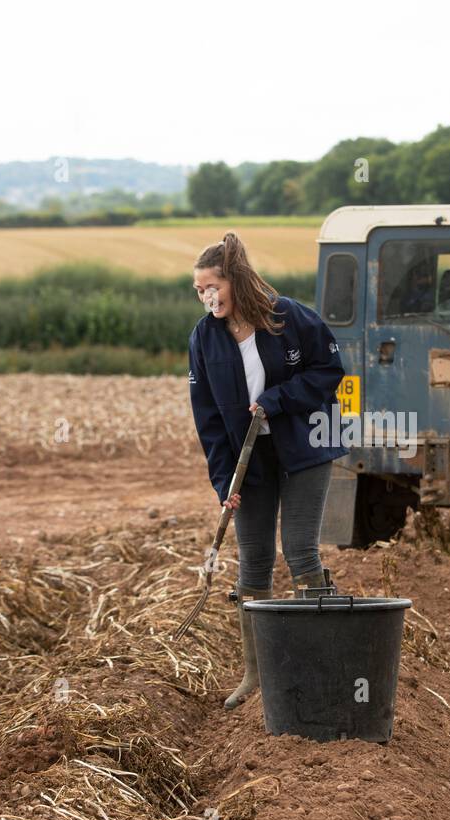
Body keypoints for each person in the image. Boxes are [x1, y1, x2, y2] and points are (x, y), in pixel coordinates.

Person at [187, 233, 347, 710]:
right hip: (247, 460)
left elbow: (328, 371)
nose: (206, 297)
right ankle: (257, 676)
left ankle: (314, 666)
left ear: (234, 280)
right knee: (254, 561)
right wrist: (223, 483)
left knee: (299, 550)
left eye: (212, 286)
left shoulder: (288, 317)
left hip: (304, 450)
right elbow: (208, 418)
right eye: (198, 291)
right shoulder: (203, 337)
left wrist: (277, 400)